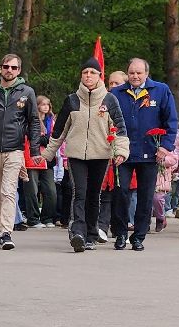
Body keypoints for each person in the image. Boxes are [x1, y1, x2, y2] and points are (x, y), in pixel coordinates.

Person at [53, 53, 128, 252]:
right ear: (81, 76)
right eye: (85, 72)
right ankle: (77, 232)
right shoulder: (71, 100)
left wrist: (121, 151)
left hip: (100, 154)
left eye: (92, 72)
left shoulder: (109, 100)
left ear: (99, 76)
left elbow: (119, 128)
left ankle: (91, 234)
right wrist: (45, 154)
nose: (88, 75)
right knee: (79, 192)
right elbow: (59, 131)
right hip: (76, 154)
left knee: (94, 194)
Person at [106, 57, 179, 251]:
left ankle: (138, 236)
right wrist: (112, 145)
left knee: (146, 197)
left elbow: (171, 121)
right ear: (127, 74)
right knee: (120, 194)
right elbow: (107, 121)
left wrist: (165, 146)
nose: (135, 76)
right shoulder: (116, 93)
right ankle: (120, 234)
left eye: (139, 73)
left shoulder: (161, 90)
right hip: (123, 153)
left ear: (146, 73)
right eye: (131, 73)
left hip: (150, 153)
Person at [0, 52, 43, 250]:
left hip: (15, 149)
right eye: (6, 67)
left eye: (14, 67)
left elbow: (33, 122)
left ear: (19, 70)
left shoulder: (27, 92)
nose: (9, 70)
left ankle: (6, 232)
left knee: (8, 191)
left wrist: (34, 150)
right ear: (0, 68)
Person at [22, 95, 58, 227]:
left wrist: (45, 139)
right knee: (32, 190)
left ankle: (47, 218)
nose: (46, 107)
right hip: (32, 158)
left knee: (51, 191)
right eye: (43, 104)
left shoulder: (51, 121)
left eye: (48, 104)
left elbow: (55, 137)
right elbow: (31, 136)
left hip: (47, 159)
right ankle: (33, 218)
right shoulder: (30, 120)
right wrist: (44, 139)